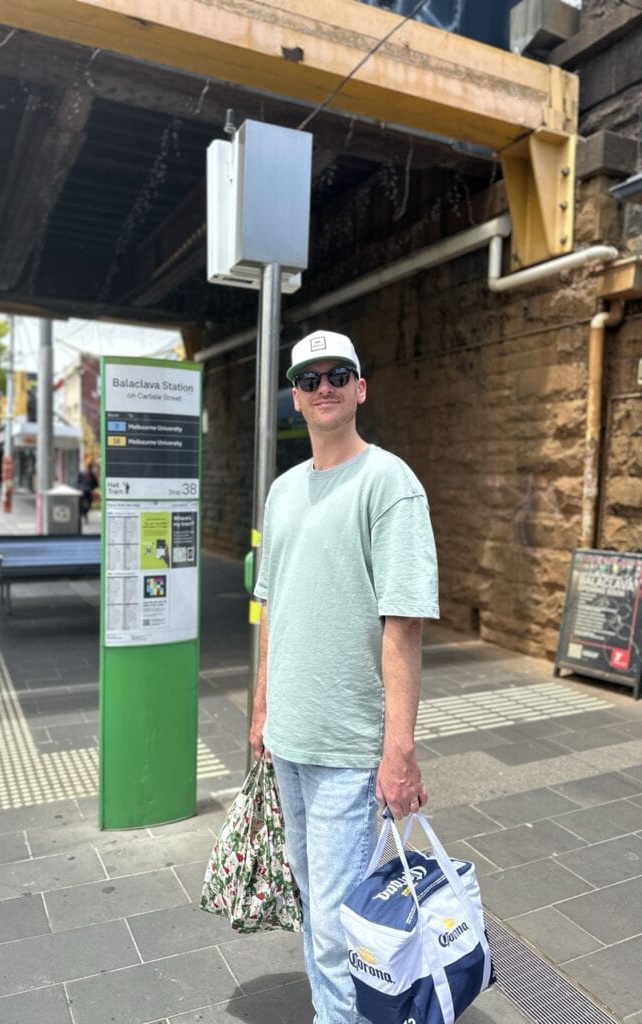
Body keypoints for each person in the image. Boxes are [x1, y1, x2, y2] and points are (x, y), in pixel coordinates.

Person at [249, 329, 439, 1024]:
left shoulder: (389, 483)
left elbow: (404, 622)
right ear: (295, 399)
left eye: (338, 375)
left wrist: (399, 750)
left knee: (338, 929)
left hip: (349, 748)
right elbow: (271, 607)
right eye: (309, 379)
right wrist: (261, 709)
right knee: (318, 908)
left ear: (361, 388)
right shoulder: (282, 491)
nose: (323, 387)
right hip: (289, 738)